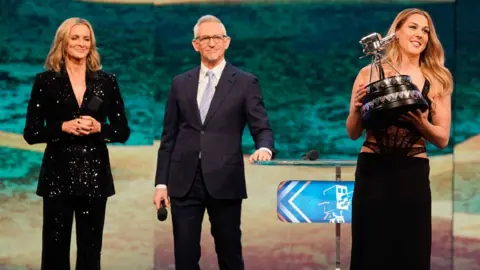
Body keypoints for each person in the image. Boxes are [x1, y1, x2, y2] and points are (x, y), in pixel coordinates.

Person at [153, 14, 275, 270]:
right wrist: (161, 183)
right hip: (183, 182)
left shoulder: (245, 82)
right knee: (185, 258)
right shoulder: (179, 83)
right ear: (195, 44)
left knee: (229, 254)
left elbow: (261, 125)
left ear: (227, 42)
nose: (211, 43)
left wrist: (264, 147)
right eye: (204, 38)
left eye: (217, 37)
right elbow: (169, 137)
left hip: (225, 179)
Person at [346, 8, 453, 270]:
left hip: (412, 172)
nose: (420, 35)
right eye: (413, 27)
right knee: (370, 249)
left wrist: (422, 124)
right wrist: (356, 110)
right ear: (396, 33)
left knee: (410, 250)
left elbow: (442, 139)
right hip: (372, 170)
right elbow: (353, 132)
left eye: (425, 30)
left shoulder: (437, 79)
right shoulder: (367, 73)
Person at [23, 17, 130, 270]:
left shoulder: (106, 81)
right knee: (54, 252)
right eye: (75, 37)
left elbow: (122, 131)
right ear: (63, 41)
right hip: (57, 177)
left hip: (95, 177)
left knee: (90, 253)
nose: (81, 43)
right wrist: (62, 127)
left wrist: (99, 128)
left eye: (86, 38)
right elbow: (31, 132)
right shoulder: (45, 81)